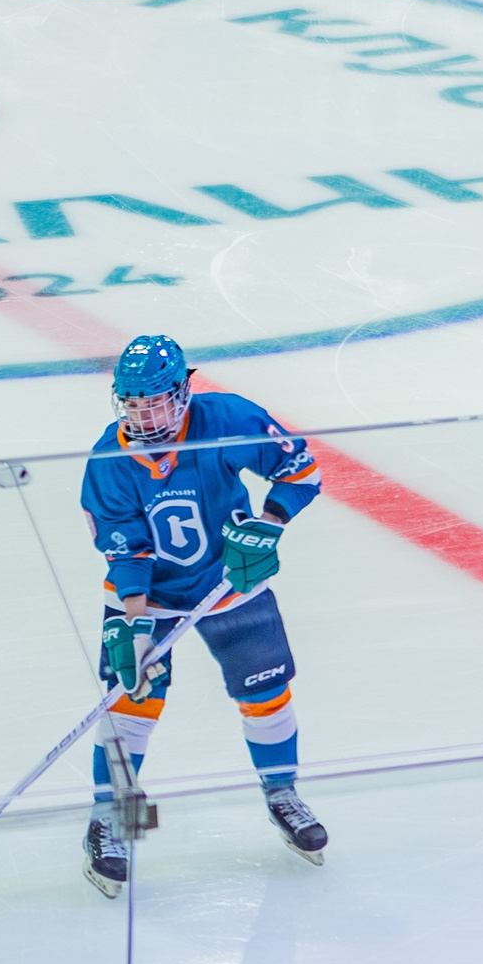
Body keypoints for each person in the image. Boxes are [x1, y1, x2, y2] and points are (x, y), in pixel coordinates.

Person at [78, 335, 328, 895]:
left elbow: (301, 471)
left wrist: (267, 525)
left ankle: (281, 792)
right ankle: (111, 816)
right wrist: (137, 624)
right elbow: (126, 550)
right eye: (134, 403)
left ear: (184, 391)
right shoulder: (110, 460)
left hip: (230, 583)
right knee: (131, 702)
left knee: (265, 693)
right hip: (149, 599)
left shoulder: (228, 417)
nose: (146, 414)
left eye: (157, 401)